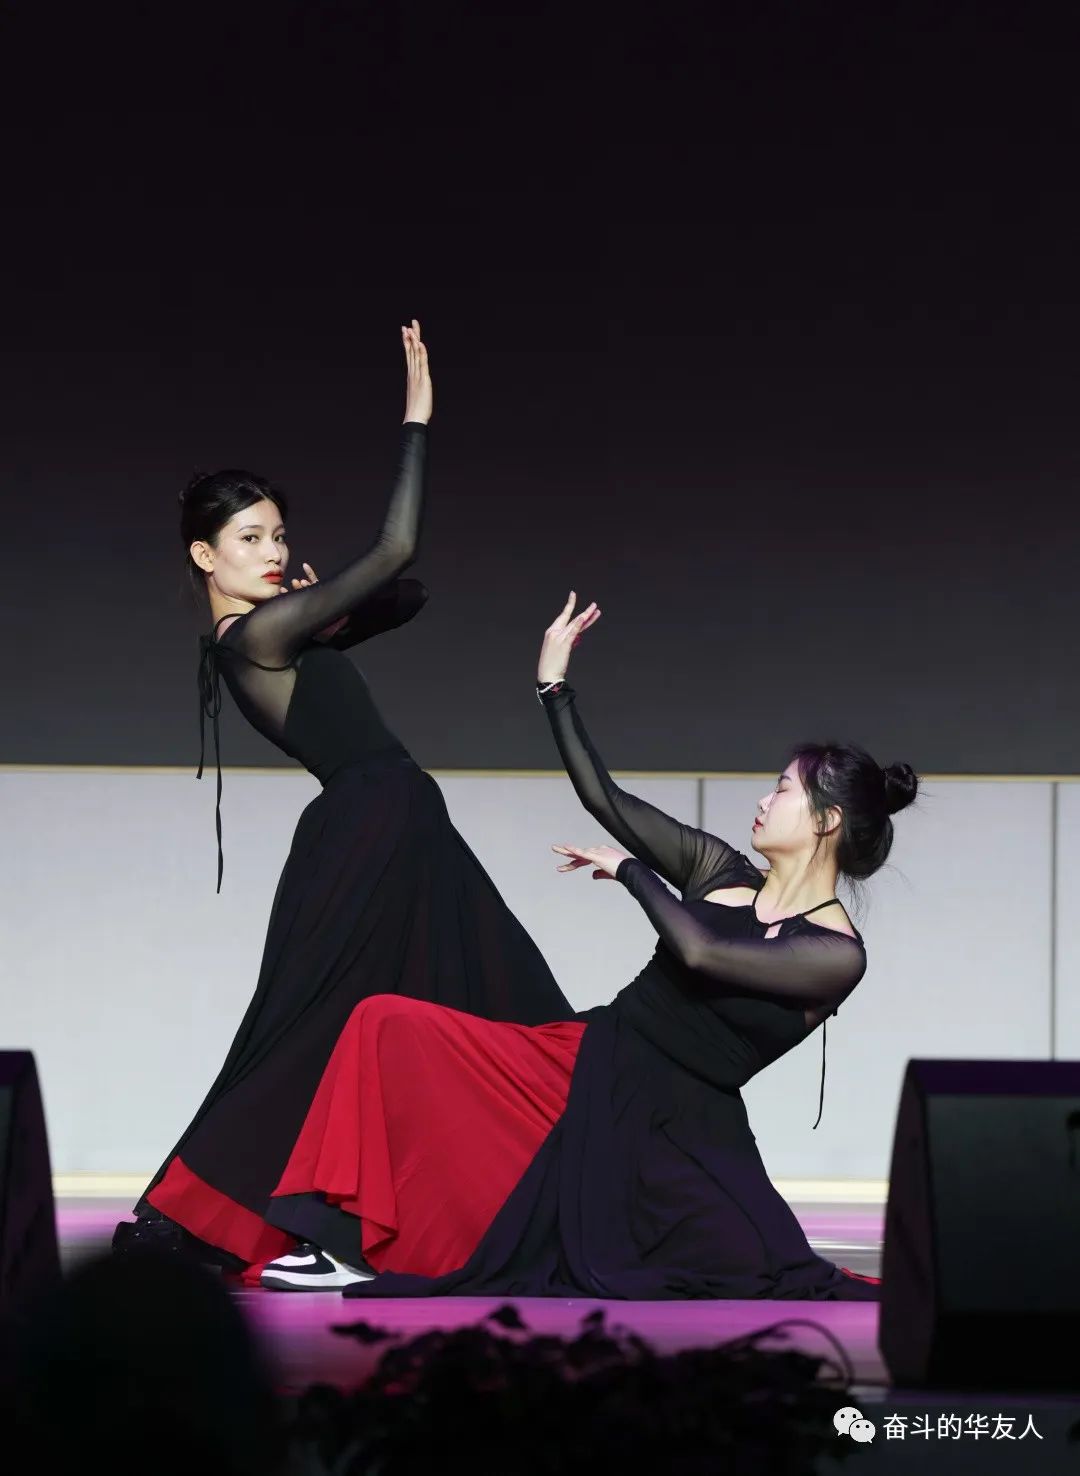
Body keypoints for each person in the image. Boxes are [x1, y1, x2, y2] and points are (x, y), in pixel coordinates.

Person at [255, 593, 915, 1297]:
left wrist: (631, 872)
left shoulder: (835, 953)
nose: (763, 801)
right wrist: (553, 688)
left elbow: (702, 954)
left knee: (743, 1270)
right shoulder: (720, 871)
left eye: (782, 791)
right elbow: (605, 798)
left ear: (826, 820)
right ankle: (338, 1241)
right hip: (591, 1058)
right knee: (384, 1022)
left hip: (680, 1131)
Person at [113, 324, 573, 1271]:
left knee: (486, 1001)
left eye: (278, 534)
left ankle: (544, 1188)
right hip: (374, 824)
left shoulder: (279, 634)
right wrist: (417, 421)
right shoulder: (255, 639)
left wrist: (335, 612)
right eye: (249, 539)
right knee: (327, 1025)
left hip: (398, 824)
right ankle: (209, 1216)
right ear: (204, 556)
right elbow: (399, 549)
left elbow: (410, 596)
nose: (272, 551)